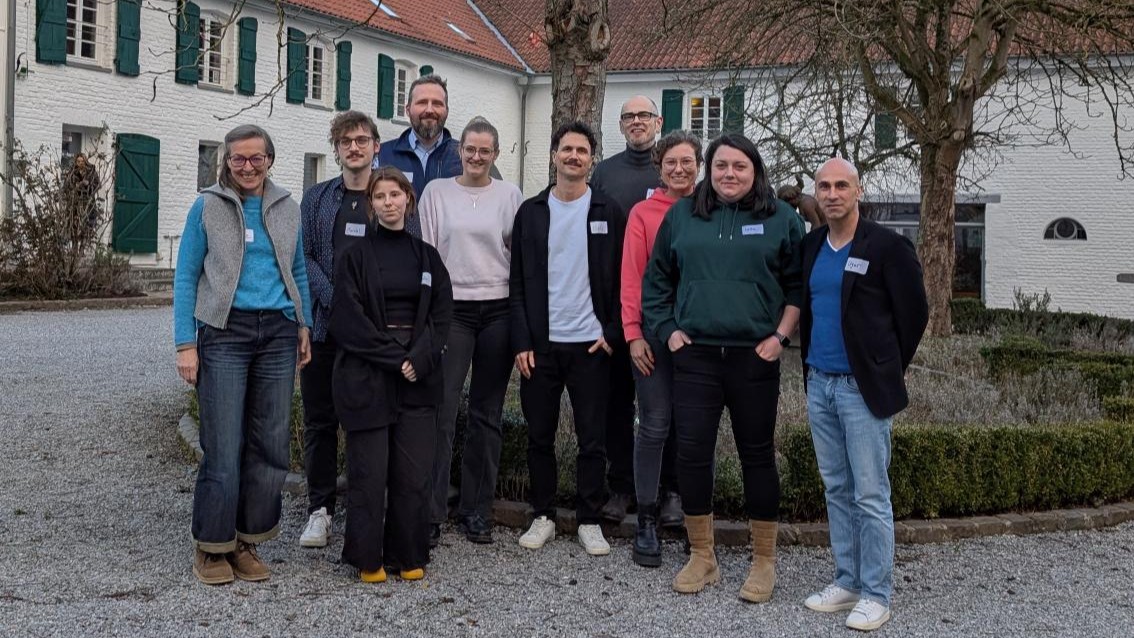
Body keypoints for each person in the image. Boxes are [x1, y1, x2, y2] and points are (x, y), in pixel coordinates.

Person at [642, 133, 802, 600]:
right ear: (708, 171)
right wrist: (670, 330)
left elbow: (798, 288)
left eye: (740, 166)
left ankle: (764, 562)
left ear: (756, 171)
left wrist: (780, 337)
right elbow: (657, 283)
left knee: (757, 456)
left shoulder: (782, 219)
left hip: (755, 358)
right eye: (721, 166)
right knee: (692, 455)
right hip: (696, 357)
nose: (729, 174)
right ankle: (702, 556)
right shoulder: (682, 216)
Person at [173, 124, 313, 586]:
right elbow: (186, 277)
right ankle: (212, 547)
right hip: (224, 332)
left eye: (257, 158)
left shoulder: (287, 207)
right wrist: (185, 344)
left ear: (270, 159)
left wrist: (303, 324)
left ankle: (248, 540)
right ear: (226, 162)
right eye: (239, 159)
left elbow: (297, 270)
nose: (248, 167)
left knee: (270, 444)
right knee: (223, 444)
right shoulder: (207, 206)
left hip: (277, 331)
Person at [799, 158, 928, 631]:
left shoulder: (888, 247)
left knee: (870, 494)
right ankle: (848, 579)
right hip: (820, 384)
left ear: (857, 190)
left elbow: (914, 315)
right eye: (824, 186)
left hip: (861, 389)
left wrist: (885, 368)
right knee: (837, 488)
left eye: (841, 186)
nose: (831, 194)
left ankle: (877, 592)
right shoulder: (812, 245)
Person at [329, 166, 453, 583]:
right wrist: (391, 357)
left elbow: (441, 316)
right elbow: (347, 319)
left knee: (413, 474)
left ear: (408, 200)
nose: (388, 203)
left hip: (417, 377)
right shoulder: (354, 258)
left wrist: (417, 358)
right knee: (369, 473)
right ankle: (368, 558)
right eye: (379, 196)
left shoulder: (427, 258)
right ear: (371, 205)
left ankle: (408, 552)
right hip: (369, 376)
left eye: (395, 195)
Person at [509, 121, 625, 557]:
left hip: (592, 346)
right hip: (541, 346)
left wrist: (612, 334)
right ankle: (543, 515)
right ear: (554, 155)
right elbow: (517, 281)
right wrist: (521, 340)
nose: (573, 156)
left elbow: (621, 280)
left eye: (582, 150)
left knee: (592, 438)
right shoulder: (532, 212)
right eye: (566, 149)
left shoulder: (608, 211)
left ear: (591, 159)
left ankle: (589, 519)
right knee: (539, 436)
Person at [420, 117, 523, 546]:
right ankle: (430, 510)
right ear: (458, 151)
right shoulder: (436, 193)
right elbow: (425, 254)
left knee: (487, 413)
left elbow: (517, 256)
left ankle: (477, 510)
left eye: (485, 150)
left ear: (495, 154)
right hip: (453, 311)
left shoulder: (509, 195)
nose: (477, 157)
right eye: (470, 149)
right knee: (440, 411)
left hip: (497, 311)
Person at [590, 95, 682, 527]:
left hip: (668, 314)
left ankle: (668, 490)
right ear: (621, 124)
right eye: (629, 116)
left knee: (667, 409)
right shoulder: (605, 173)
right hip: (615, 302)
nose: (637, 122)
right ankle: (622, 486)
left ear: (658, 121)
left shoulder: (677, 177)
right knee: (616, 403)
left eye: (644, 115)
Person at [297, 111, 381, 549]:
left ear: (375, 147)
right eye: (346, 141)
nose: (354, 147)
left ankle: (367, 510)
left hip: (374, 332)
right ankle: (320, 510)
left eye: (362, 140)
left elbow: (409, 250)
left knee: (369, 423)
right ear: (337, 149)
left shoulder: (391, 194)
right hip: (327, 327)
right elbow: (304, 257)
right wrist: (335, 300)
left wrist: (368, 310)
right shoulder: (316, 198)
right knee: (320, 422)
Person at [620, 130, 702, 568]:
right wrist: (632, 332)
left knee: (694, 429)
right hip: (653, 334)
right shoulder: (643, 214)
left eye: (687, 161)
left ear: (699, 165)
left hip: (701, 337)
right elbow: (632, 277)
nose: (679, 169)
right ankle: (647, 518)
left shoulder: (711, 210)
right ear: (659, 166)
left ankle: (695, 520)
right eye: (671, 162)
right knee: (654, 424)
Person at [375, 74, 462, 237]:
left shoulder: (465, 158)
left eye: (437, 103)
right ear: (407, 109)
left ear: (447, 111)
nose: (429, 110)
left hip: (448, 258)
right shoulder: (382, 156)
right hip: (397, 255)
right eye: (422, 102)